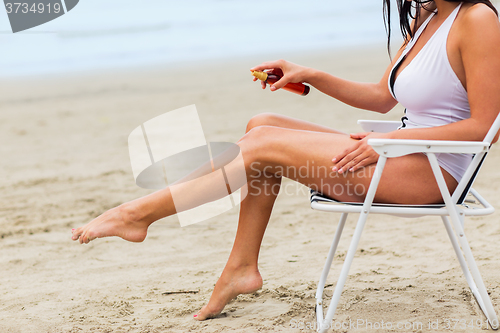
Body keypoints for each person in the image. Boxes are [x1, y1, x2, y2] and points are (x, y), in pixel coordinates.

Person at [71, 0, 500, 321]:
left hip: (430, 175)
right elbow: (382, 97)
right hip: (396, 153)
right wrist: (308, 74)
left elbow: (487, 126)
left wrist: (398, 140)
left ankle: (138, 215)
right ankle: (241, 267)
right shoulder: (428, 16)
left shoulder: (476, 19)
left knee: (261, 147)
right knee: (263, 123)